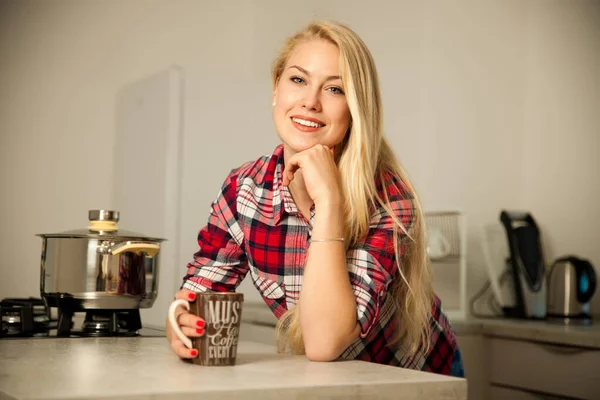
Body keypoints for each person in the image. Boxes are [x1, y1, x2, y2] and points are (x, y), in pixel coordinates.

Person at [166, 20, 464, 377]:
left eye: (335, 89)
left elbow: (324, 343)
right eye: (297, 80)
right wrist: (179, 321)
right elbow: (194, 295)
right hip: (334, 381)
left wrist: (330, 202)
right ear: (276, 89)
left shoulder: (388, 197)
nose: (310, 101)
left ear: (355, 110)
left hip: (415, 380)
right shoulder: (244, 190)